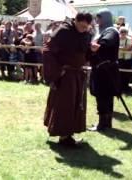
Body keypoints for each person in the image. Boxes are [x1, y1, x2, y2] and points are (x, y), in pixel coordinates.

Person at [43, 12, 93, 147]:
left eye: (86, 27)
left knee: (75, 105)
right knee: (65, 105)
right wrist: (58, 71)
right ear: (75, 21)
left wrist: (91, 50)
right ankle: (64, 137)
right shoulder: (63, 31)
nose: (84, 29)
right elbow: (48, 50)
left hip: (77, 74)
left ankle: (69, 134)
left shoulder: (85, 33)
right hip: (65, 75)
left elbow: (83, 52)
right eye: (82, 26)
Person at [88, 9, 121, 131]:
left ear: (105, 18)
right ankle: (104, 122)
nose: (97, 20)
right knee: (101, 95)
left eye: (99, 17)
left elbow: (106, 42)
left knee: (104, 96)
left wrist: (96, 44)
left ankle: (104, 124)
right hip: (100, 69)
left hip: (107, 70)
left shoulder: (111, 31)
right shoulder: (99, 31)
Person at [118, 27, 132, 93]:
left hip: (127, 59)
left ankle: (126, 87)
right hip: (119, 59)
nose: (123, 33)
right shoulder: (117, 39)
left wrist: (119, 48)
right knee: (119, 74)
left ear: (127, 33)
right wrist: (122, 48)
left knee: (127, 74)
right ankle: (120, 87)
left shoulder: (129, 39)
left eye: (124, 32)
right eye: (122, 32)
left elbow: (128, 48)